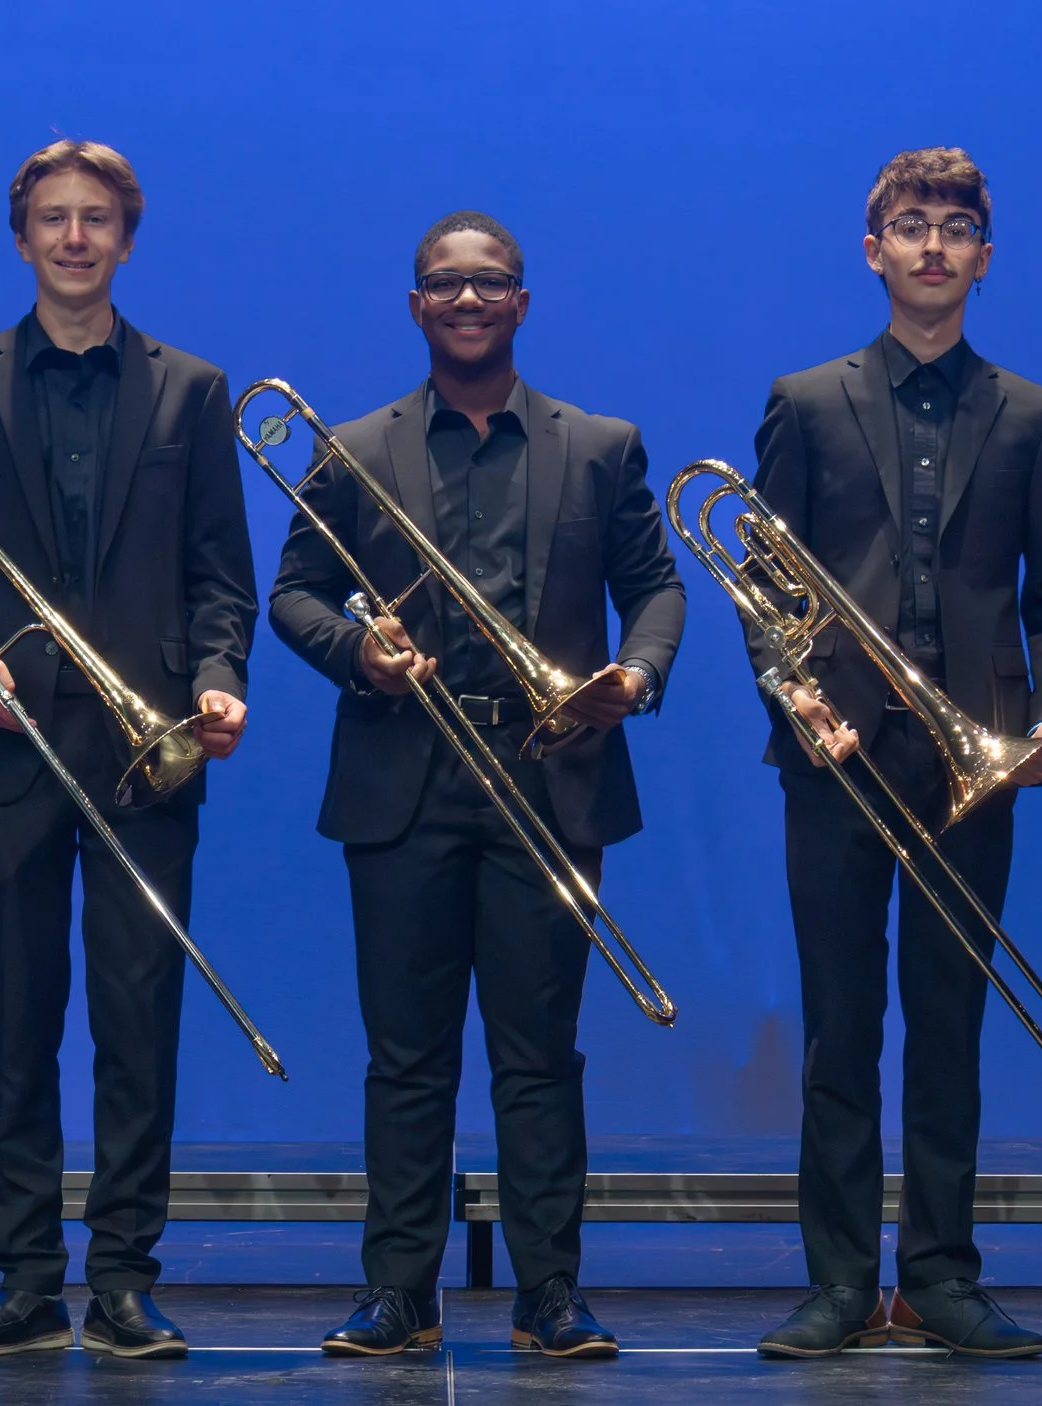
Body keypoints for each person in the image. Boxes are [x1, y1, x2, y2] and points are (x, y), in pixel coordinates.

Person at [0, 139, 256, 1359]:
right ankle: (26, 1276)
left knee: (140, 1025)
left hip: (149, 749)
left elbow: (220, 576)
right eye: (52, 218)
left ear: (126, 239)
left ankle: (125, 1276)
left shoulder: (191, 388)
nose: (74, 237)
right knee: (16, 1022)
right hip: (3, 744)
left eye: (95, 219)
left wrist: (219, 678)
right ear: (22, 236)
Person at [268, 211, 685, 1359]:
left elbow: (655, 587)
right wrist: (357, 651)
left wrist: (635, 673)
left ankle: (550, 1291)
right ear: (415, 305)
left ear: (521, 302)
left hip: (551, 773)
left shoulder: (599, 444)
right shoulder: (353, 445)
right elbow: (294, 592)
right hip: (401, 773)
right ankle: (398, 1290)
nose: (466, 299)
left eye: (489, 282)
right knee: (406, 1057)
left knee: (539, 1054)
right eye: (444, 284)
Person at [747, 147, 1042, 1360]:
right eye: (910, 225)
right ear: (874, 250)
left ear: (983, 257)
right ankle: (841, 1280)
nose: (932, 243)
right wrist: (793, 695)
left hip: (974, 755)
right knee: (840, 1028)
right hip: (837, 753)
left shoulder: (1034, 413)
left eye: (955, 227)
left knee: (950, 1027)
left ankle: (940, 1276)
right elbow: (763, 582)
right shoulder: (804, 400)